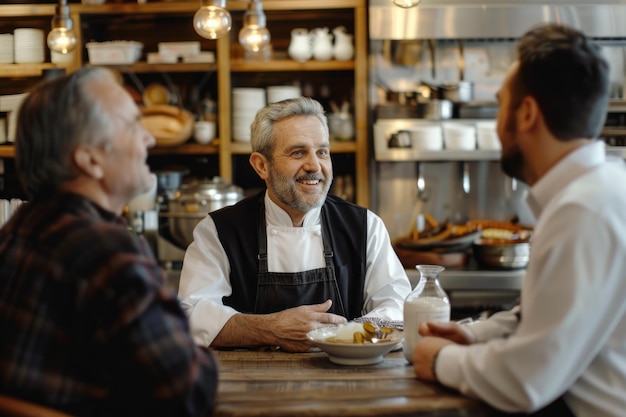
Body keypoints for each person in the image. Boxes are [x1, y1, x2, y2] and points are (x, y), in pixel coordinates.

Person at [412, 23, 626, 417]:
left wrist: (440, 360)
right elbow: (547, 316)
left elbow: (526, 380)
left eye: (500, 105)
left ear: (526, 114)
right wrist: (474, 334)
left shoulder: (584, 210)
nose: (496, 125)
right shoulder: (598, 191)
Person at [0, 67, 218, 416]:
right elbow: (188, 392)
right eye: (133, 125)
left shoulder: (15, 233)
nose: (149, 138)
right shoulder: (107, 253)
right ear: (90, 159)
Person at [178, 97, 412, 352]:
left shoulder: (365, 227)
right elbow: (192, 316)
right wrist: (271, 329)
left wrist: (340, 335)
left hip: (345, 381)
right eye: (298, 152)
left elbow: (398, 307)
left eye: (322, 152)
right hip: (249, 385)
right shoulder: (219, 231)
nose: (315, 166)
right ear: (261, 165)